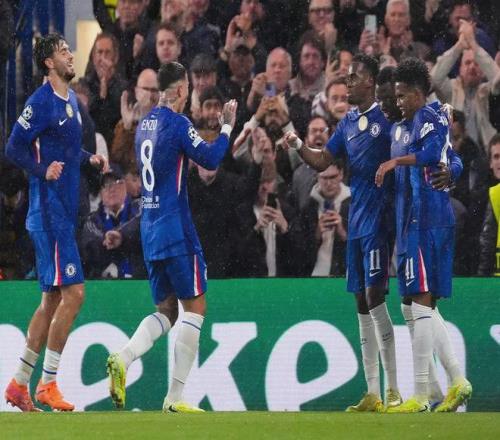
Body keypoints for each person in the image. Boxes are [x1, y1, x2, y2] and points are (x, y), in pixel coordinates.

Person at [106, 61, 237, 413]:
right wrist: (227, 126)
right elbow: (210, 158)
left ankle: (123, 357)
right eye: (188, 90)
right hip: (175, 228)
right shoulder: (178, 124)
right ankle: (175, 398)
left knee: (166, 310)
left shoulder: (143, 125)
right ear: (180, 90)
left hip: (149, 230)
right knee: (195, 307)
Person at [283, 53, 401, 412]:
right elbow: (323, 160)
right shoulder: (348, 122)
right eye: (346, 78)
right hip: (358, 219)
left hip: (380, 219)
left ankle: (395, 389)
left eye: (354, 77)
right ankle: (373, 392)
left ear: (371, 82)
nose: (347, 83)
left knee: (376, 297)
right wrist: (298, 145)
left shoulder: (388, 120)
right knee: (361, 303)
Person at [3, 34, 108, 412]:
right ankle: (48, 383)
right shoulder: (40, 101)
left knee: (50, 301)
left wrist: (88, 158)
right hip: (49, 213)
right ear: (49, 63)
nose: (69, 54)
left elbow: (66, 149)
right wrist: (41, 169)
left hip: (63, 210)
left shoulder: (72, 101)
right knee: (74, 294)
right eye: (63, 51)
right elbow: (13, 146)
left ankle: (18, 384)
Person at [375, 57, 472, 413]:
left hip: (424, 219)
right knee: (413, 304)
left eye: (395, 96)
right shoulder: (396, 128)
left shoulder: (423, 119)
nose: (391, 102)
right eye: (387, 97)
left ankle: (422, 394)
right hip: (407, 222)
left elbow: (444, 155)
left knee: (420, 301)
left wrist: (452, 170)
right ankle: (451, 381)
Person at [79, 165, 143, 279]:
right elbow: (91, 246)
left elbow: (140, 227)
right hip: (106, 284)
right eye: (106, 185)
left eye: (116, 183)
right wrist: (112, 241)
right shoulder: (92, 219)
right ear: (101, 192)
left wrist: (120, 236)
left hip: (141, 282)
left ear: (125, 185)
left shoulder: (140, 207)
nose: (111, 189)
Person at [478, 134, 500, 276]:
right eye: (496, 157)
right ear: (490, 164)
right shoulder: (495, 194)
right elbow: (487, 242)